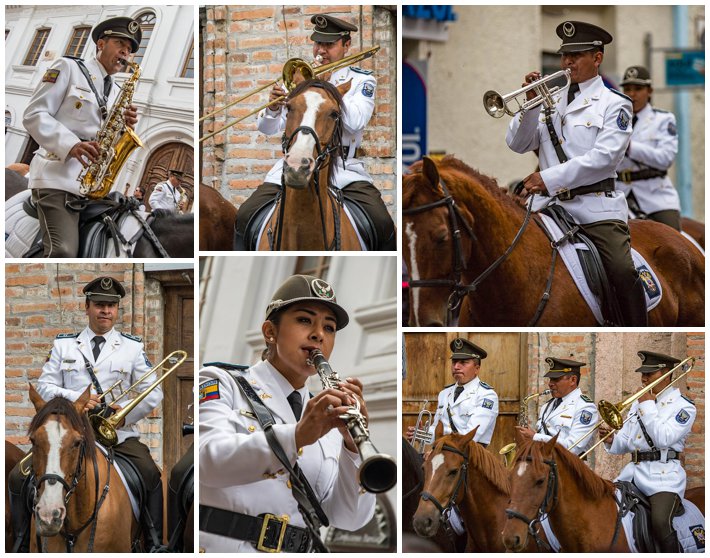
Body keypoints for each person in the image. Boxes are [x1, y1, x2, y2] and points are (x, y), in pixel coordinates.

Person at [199, 274, 376, 552]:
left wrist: (353, 448)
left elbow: (349, 519)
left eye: (329, 328)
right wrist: (296, 435)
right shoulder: (222, 382)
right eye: (305, 320)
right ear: (270, 332)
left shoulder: (327, 416)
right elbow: (206, 462)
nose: (319, 334)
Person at [8, 276, 166, 552]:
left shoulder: (132, 347)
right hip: (70, 433)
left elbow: (154, 393)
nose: (105, 311)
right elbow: (44, 385)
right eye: (99, 305)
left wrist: (124, 412)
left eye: (111, 306)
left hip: (116, 434)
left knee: (150, 473)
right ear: (87, 307)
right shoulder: (64, 346)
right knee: (18, 477)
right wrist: (77, 400)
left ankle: (153, 542)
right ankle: (20, 542)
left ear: (117, 310)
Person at [506, 21, 647, 326]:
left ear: (597, 58)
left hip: (595, 209)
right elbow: (518, 144)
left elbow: (605, 158)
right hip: (548, 209)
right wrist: (530, 104)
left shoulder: (615, 104)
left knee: (622, 270)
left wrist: (548, 178)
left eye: (578, 54)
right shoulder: (549, 100)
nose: (568, 62)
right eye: (565, 55)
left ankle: (635, 326)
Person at [234, 14, 396, 251]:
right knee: (244, 216)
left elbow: (356, 121)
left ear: (346, 45)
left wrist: (329, 89)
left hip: (343, 169)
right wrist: (273, 107)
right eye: (318, 43)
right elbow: (268, 128)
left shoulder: (361, 80)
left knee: (382, 223)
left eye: (329, 44)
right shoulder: (300, 78)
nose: (321, 51)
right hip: (295, 163)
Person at [22, 17, 141, 257]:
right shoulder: (68, 68)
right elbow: (33, 115)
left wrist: (122, 128)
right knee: (63, 252)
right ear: (100, 43)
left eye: (129, 50)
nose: (125, 53)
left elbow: (105, 139)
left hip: (91, 186)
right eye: (120, 44)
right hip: (55, 178)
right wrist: (71, 144)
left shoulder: (118, 92)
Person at [599, 351, 694, 553]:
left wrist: (647, 404)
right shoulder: (639, 404)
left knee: (660, 523)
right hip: (633, 474)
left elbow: (663, 438)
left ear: (668, 374)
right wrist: (611, 439)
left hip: (664, 477)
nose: (644, 378)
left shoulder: (684, 407)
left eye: (650, 374)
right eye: (643, 373)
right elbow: (626, 442)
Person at [616, 66, 681, 231]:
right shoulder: (613, 119)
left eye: (638, 89)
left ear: (650, 91)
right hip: (619, 193)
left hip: (655, 196)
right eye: (627, 89)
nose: (632, 94)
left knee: (673, 245)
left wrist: (630, 147)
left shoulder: (663, 119)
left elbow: (665, 159)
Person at [407, 338, 498, 448]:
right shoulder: (444, 394)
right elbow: (438, 430)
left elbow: (470, 437)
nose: (456, 367)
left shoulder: (486, 395)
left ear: (476, 369)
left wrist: (439, 450)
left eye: (463, 362)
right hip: (443, 453)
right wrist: (423, 434)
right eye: (454, 362)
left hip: (470, 457)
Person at [516, 357, 599, 456]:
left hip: (568, 468)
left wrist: (535, 437)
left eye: (556, 379)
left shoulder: (585, 408)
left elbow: (573, 447)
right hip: (545, 464)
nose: (550, 383)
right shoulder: (547, 405)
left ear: (573, 380)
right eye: (550, 379)